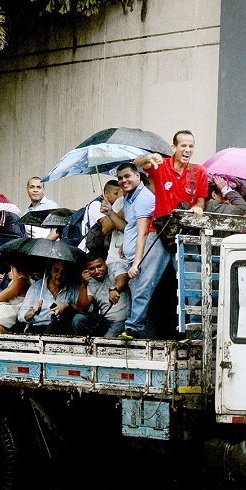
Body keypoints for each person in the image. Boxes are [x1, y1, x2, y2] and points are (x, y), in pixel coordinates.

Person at [111, 161, 162, 340]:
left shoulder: (144, 198)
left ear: (138, 176)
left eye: (127, 176)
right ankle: (135, 336)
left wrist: (137, 262)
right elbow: (129, 228)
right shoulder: (128, 197)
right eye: (120, 178)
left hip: (142, 258)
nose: (123, 181)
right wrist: (110, 212)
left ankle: (143, 344)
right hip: (132, 257)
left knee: (144, 298)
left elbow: (143, 233)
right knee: (139, 301)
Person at [133, 130, 208, 219]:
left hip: (185, 228)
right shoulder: (161, 164)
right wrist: (148, 157)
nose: (187, 150)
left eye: (191, 146)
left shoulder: (199, 171)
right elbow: (136, 163)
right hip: (160, 227)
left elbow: (201, 200)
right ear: (174, 147)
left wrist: (198, 207)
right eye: (183, 146)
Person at [73, 252, 131, 337]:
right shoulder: (90, 281)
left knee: (107, 340)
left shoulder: (115, 266)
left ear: (105, 263)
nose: (97, 271)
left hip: (122, 321)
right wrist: (83, 285)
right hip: (104, 320)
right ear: (87, 270)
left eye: (99, 266)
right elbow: (82, 309)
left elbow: (123, 278)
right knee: (77, 320)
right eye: (92, 269)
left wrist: (115, 289)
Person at [19, 259, 78, 334]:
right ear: (50, 271)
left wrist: (68, 306)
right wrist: (33, 312)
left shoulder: (73, 288)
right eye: (56, 270)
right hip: (38, 329)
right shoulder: (36, 288)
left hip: (62, 330)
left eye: (63, 272)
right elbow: (21, 316)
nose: (59, 275)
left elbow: (85, 309)